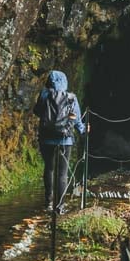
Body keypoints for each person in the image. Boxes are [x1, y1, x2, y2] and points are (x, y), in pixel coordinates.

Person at [32, 70, 87, 212]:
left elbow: (37, 112)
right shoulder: (71, 97)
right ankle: (60, 206)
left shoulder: (44, 95)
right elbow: (76, 119)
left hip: (46, 138)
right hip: (65, 139)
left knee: (49, 168)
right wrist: (83, 130)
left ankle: (48, 202)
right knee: (62, 174)